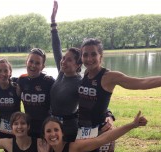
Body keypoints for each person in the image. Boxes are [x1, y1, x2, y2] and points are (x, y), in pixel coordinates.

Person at [49, 1, 114, 143]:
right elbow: (56, 48)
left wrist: (109, 115)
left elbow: (96, 100)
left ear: (79, 64)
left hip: (69, 129)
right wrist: (53, 24)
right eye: (63, 58)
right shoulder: (61, 72)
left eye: (69, 60)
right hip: (53, 125)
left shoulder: (80, 82)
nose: (63, 61)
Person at [17, 48, 55, 138]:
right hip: (28, 126)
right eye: (31, 61)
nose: (33, 65)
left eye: (37, 63)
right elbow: (17, 95)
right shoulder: (21, 80)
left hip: (45, 126)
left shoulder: (49, 81)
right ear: (26, 62)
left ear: (42, 66)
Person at [0, 58, 21, 139]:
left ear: (10, 73)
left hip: (17, 125)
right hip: (2, 126)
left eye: (6, 71)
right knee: (6, 148)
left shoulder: (16, 87)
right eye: (0, 70)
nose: (3, 74)